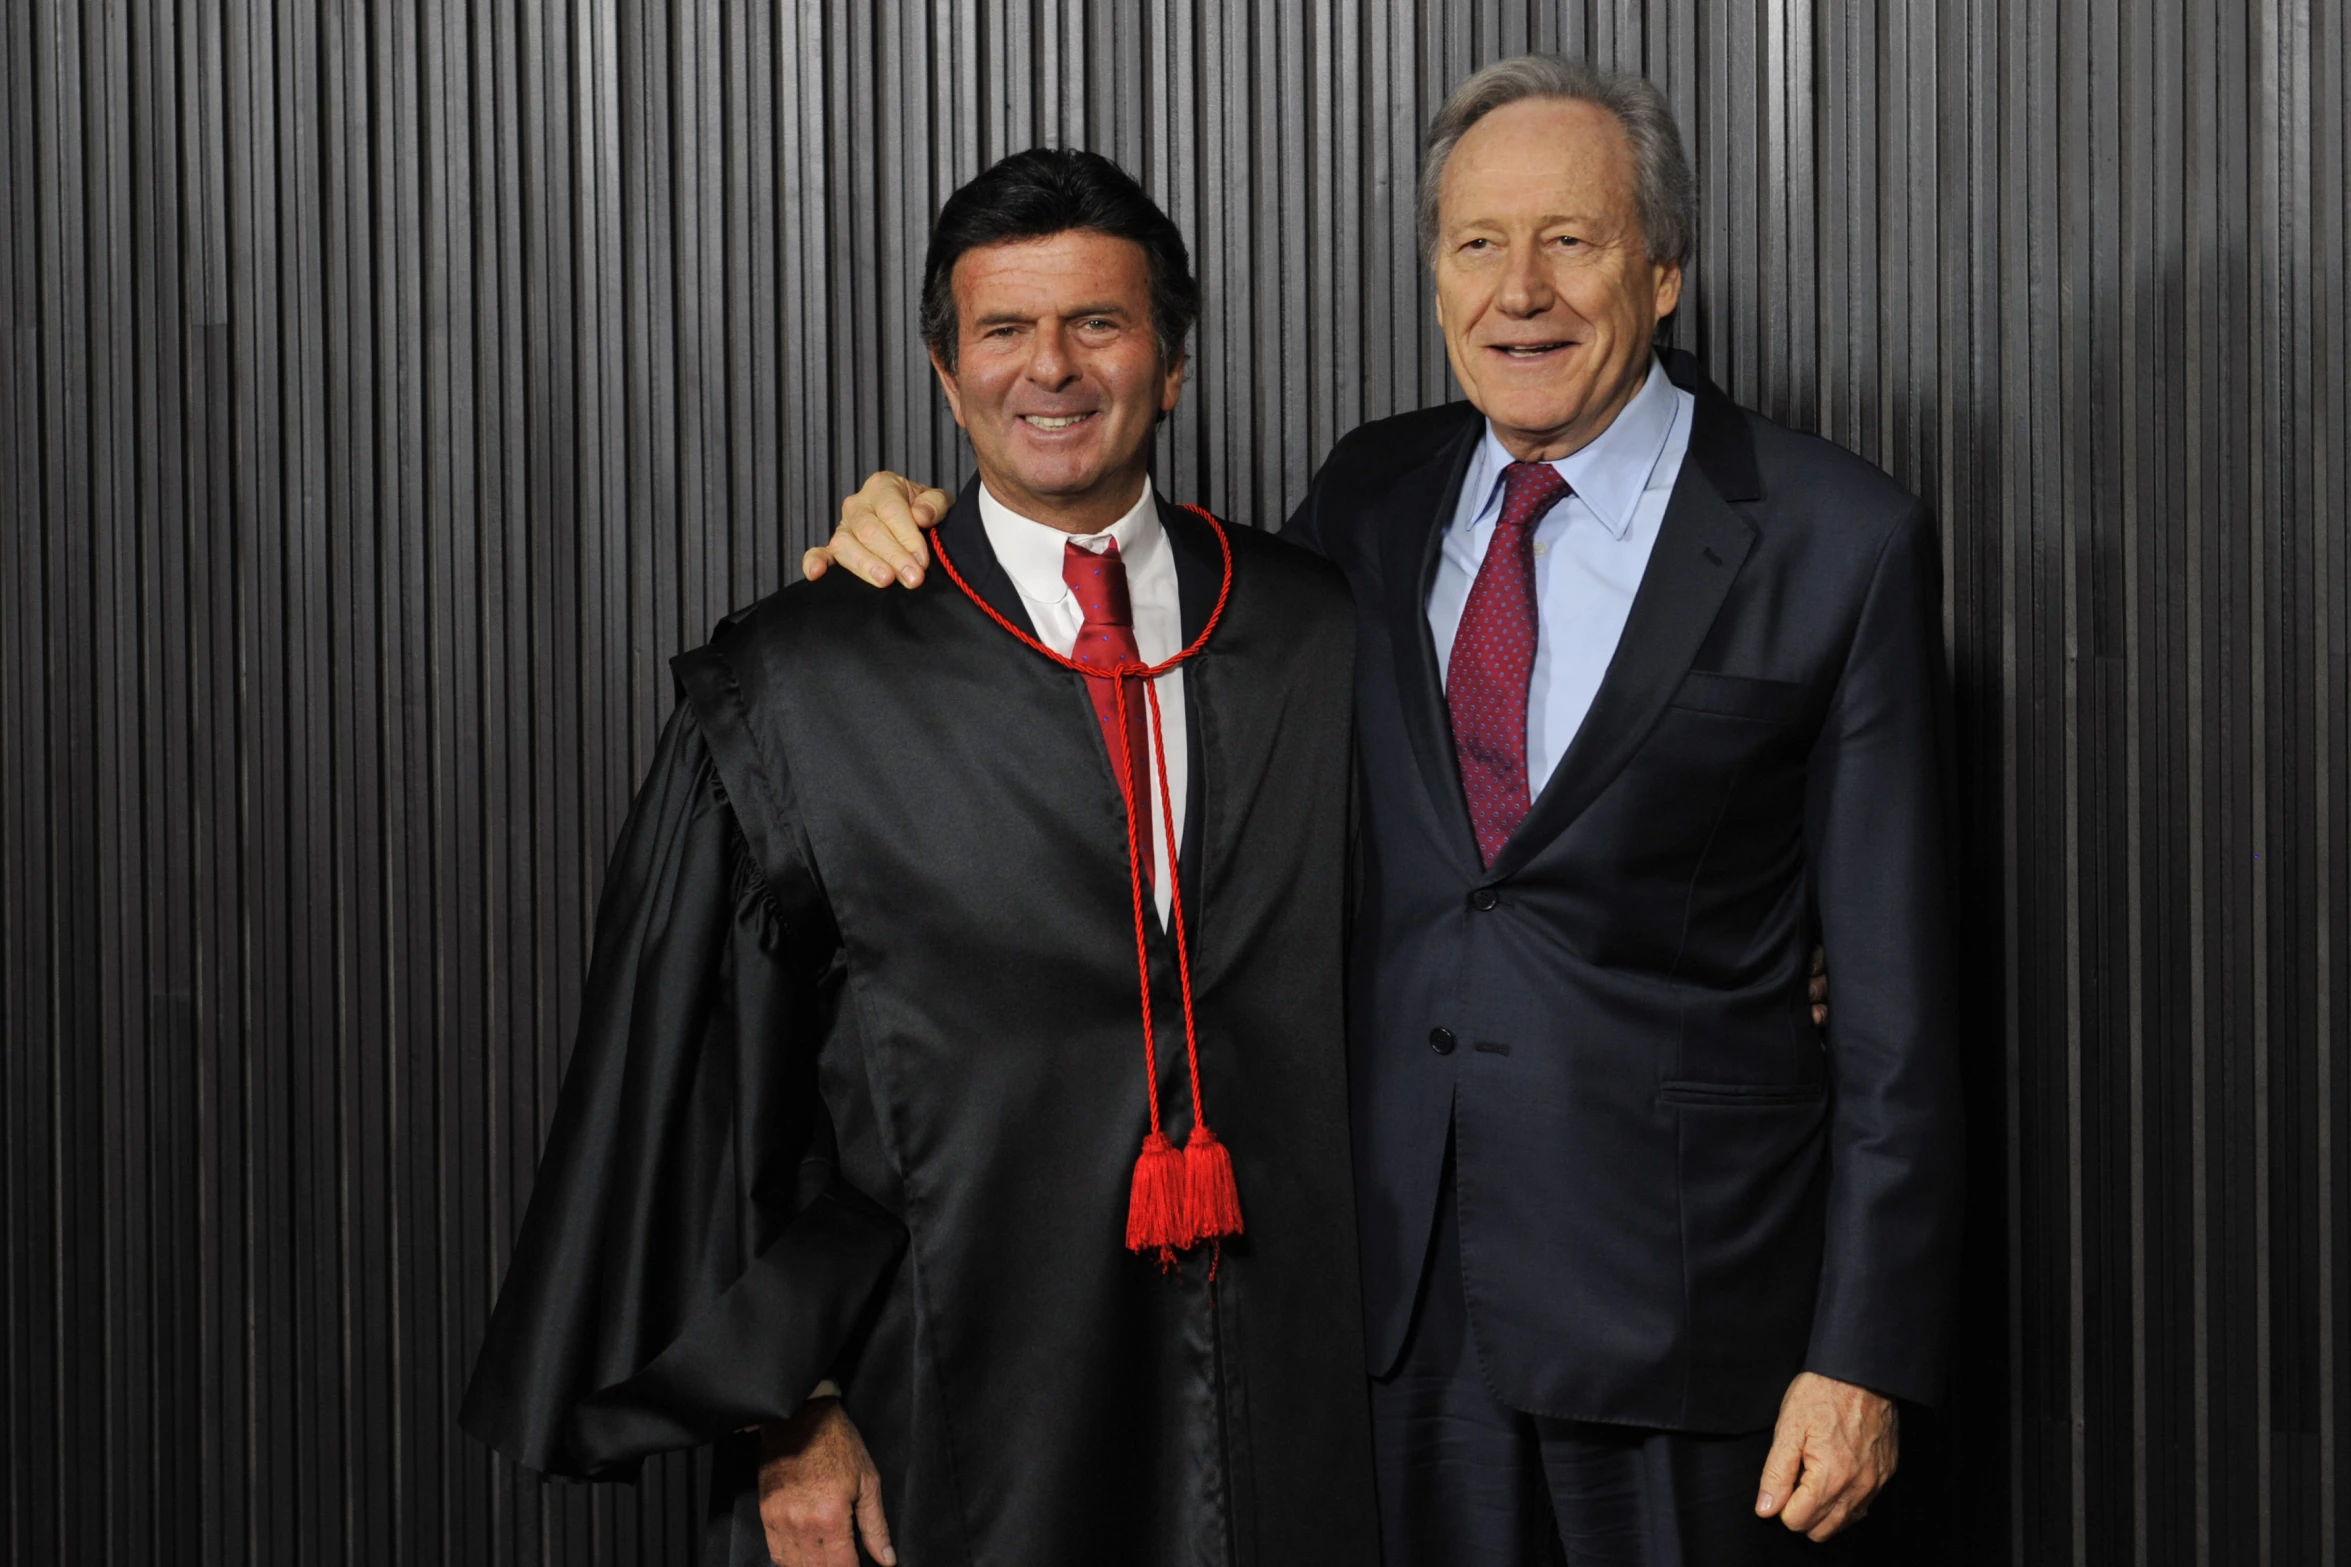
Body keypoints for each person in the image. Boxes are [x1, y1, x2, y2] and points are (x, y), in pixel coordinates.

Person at [808, 55, 1962, 1566]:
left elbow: (1898, 1011)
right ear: (1433, 285)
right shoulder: (1367, 499)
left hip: (1695, 1327)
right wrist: (932, 532)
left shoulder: (1837, 537)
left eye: (1575, 239)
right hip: (1382, 1310)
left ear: (1665, 270)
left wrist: (1861, 1351)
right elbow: (1143, 658)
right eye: (1476, 244)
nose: (1520, 290)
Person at [461, 147, 1380, 1567]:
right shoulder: (801, 683)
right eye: (1002, 330)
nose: (1051, 369)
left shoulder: (1317, 629)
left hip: (1293, 1396)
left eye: (1099, 323)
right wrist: (790, 1410)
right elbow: (704, 1089)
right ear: (945, 377)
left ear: (1174, 363)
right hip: (944, 1403)